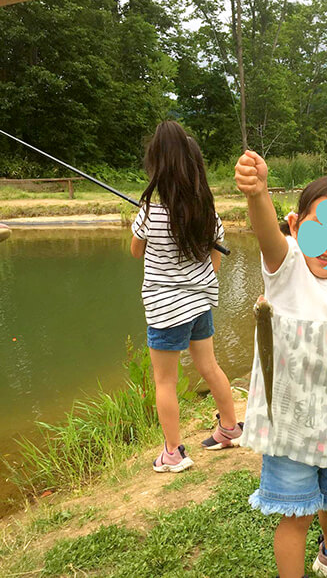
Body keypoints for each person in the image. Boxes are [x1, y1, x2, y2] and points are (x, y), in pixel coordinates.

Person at [235, 150, 327, 578]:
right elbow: (266, 233)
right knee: (296, 515)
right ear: (297, 226)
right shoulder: (287, 269)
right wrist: (258, 192)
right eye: (320, 231)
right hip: (291, 425)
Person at [131, 121, 243, 473]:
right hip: (199, 305)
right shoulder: (209, 215)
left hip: (165, 311)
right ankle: (229, 428)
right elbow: (214, 262)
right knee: (208, 366)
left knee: (164, 380)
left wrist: (144, 219)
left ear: (157, 168)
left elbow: (135, 251)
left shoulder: (151, 212)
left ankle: (173, 453)